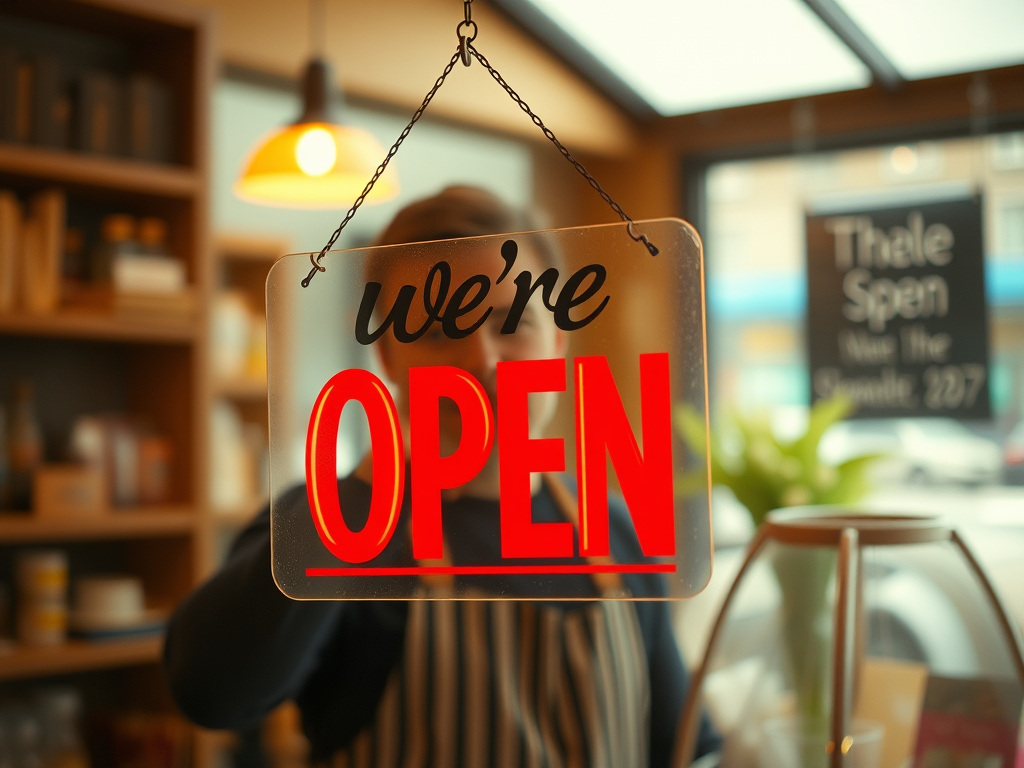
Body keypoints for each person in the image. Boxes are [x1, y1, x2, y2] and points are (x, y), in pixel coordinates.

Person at [164, 186, 720, 767]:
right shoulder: (333, 524)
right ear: (388, 361)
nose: (481, 359)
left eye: (512, 322)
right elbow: (209, 692)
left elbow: (685, 748)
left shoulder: (614, 529)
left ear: (557, 343)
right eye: (436, 330)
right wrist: (366, 490)